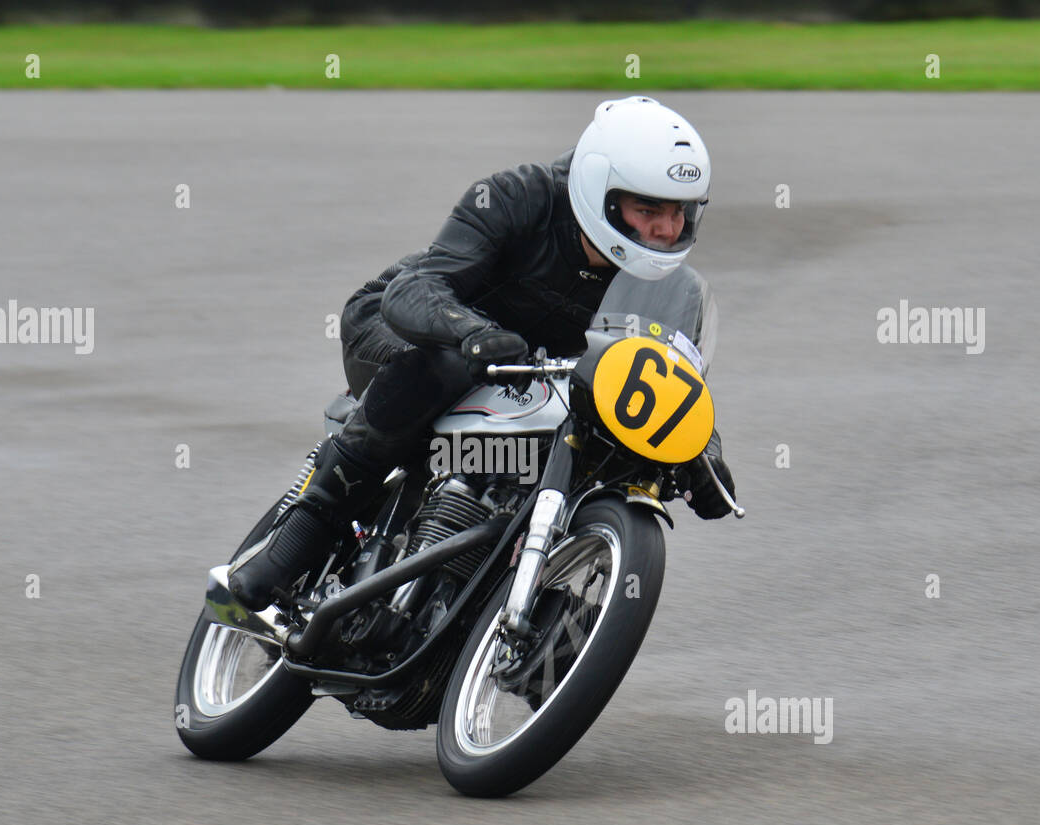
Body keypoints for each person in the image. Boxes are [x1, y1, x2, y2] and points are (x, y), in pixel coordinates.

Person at [230, 95, 736, 613]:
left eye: (678, 212)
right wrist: (472, 332)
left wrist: (703, 451)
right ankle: (305, 531)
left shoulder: (670, 285)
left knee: (601, 441)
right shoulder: (518, 195)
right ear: (600, 191)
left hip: (532, 380)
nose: (667, 230)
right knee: (446, 366)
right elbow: (412, 290)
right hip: (404, 334)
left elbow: (661, 379)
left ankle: (522, 610)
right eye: (647, 209)